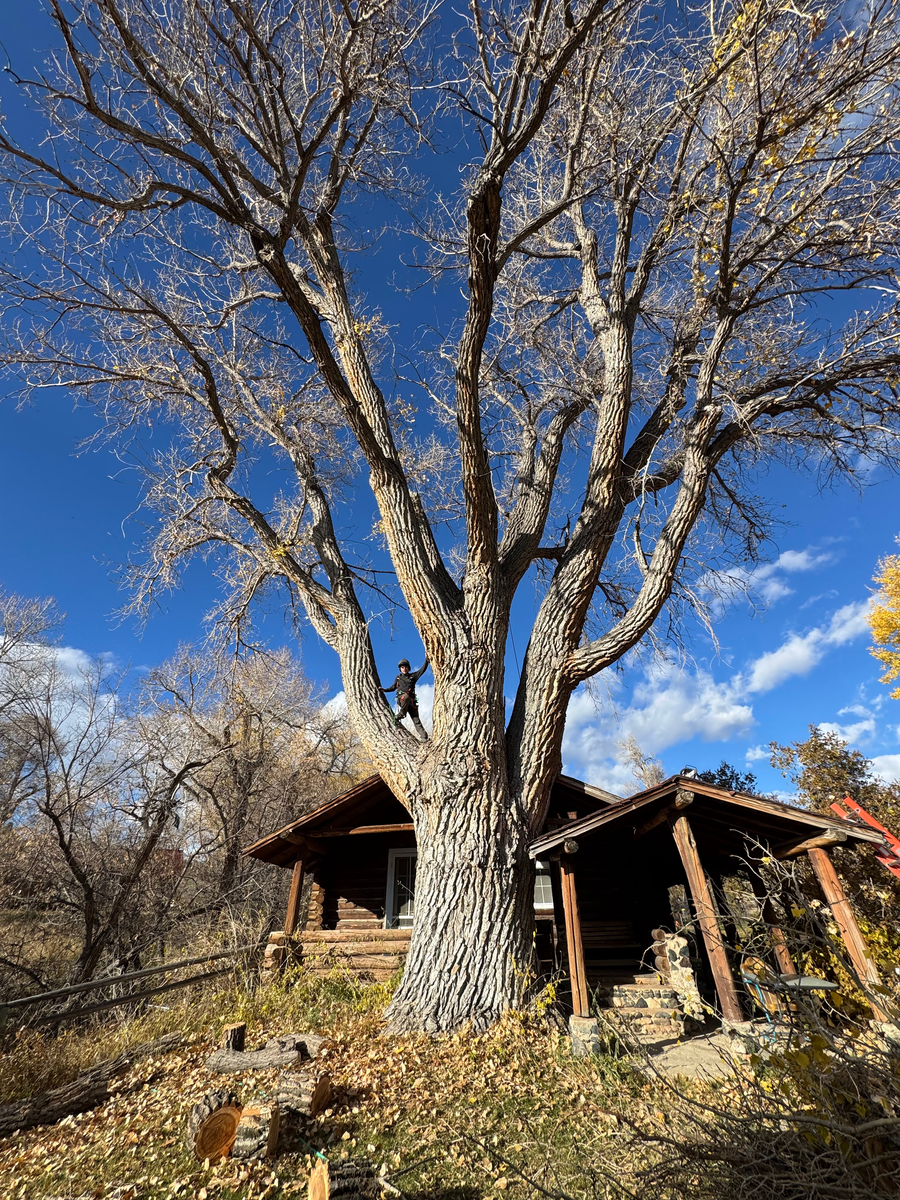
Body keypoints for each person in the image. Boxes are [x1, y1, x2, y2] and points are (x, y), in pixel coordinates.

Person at [381, 657, 429, 738]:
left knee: (416, 720)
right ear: (400, 669)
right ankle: (401, 714)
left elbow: (422, 670)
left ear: (409, 668)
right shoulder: (398, 677)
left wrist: (426, 661)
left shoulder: (413, 676)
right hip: (402, 699)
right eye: (402, 667)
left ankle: (424, 737)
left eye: (406, 667)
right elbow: (393, 687)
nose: (404, 669)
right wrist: (384, 690)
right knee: (406, 697)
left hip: (411, 702)